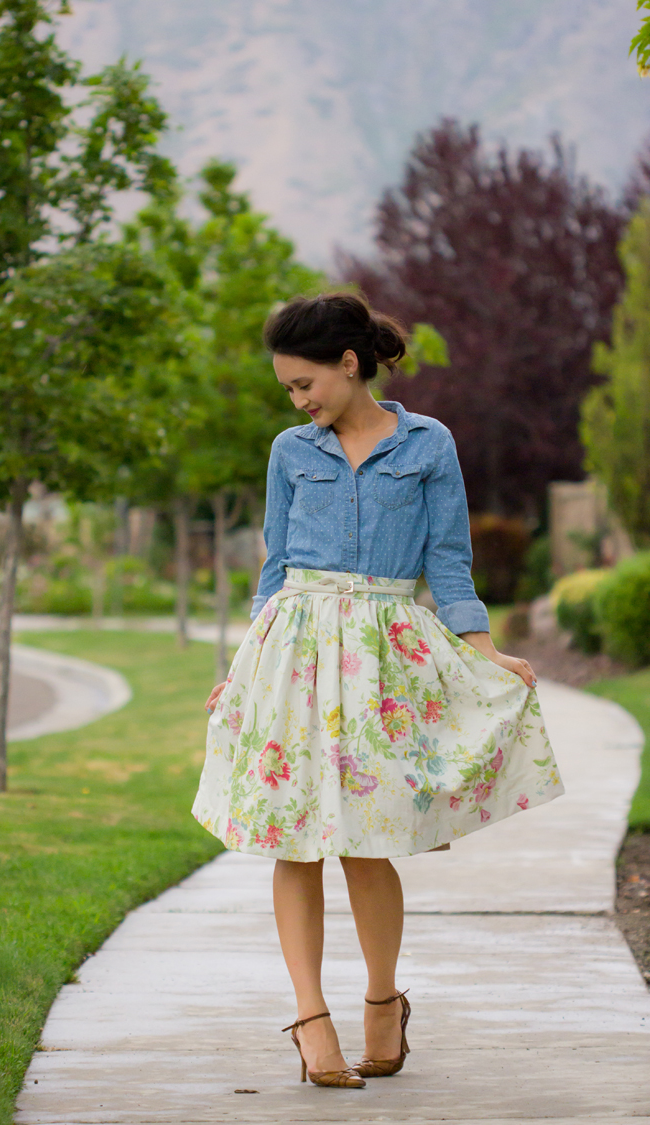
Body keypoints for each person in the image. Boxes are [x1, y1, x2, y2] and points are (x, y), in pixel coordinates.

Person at [192, 292, 564, 1091]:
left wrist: (484, 650)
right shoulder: (290, 451)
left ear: (349, 365)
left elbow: (450, 560)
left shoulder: (429, 443)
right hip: (292, 650)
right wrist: (243, 665)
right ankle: (309, 1016)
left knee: (367, 835)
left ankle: (383, 1001)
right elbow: (275, 566)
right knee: (294, 836)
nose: (297, 402)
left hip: (381, 653)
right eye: (289, 389)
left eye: (303, 384)